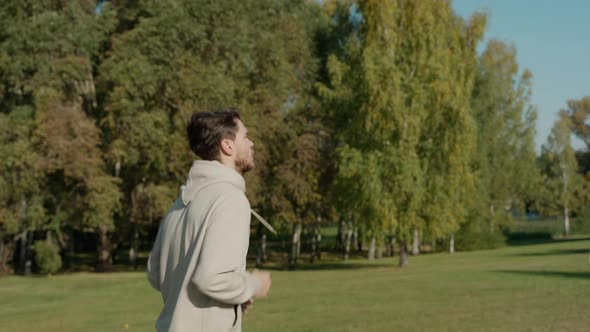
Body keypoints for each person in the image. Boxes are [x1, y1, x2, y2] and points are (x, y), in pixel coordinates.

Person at [147, 109, 272, 332]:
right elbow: (211, 278)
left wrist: (224, 301)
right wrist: (252, 285)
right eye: (245, 137)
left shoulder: (179, 203)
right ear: (228, 145)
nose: (251, 143)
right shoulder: (230, 199)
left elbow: (156, 274)